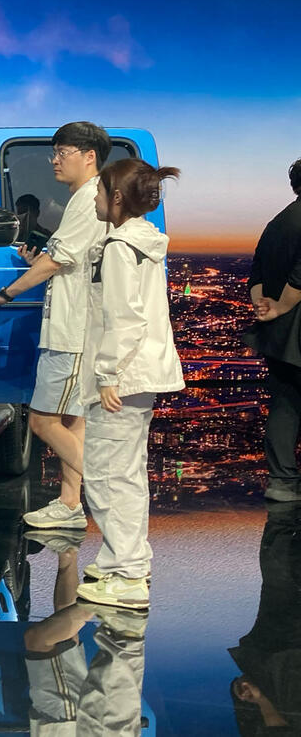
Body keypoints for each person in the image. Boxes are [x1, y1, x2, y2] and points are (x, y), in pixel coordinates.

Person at [0, 123, 113, 531]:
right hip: (78, 327)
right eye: (54, 152)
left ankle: (115, 493)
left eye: (63, 151)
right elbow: (62, 257)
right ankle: (70, 504)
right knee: (74, 420)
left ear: (89, 156)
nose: (55, 159)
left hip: (72, 332)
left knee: (42, 421)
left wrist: (6, 293)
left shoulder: (89, 198)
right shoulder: (84, 200)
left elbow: (57, 261)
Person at [73, 159, 184, 610]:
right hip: (142, 377)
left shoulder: (120, 248)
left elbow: (123, 320)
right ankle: (126, 558)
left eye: (99, 192)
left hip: (122, 378)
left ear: (116, 198)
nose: (94, 199)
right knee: (128, 474)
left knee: (105, 475)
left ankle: (128, 573)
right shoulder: (143, 243)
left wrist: (106, 376)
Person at [243, 158, 301, 502]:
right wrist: (281, 305)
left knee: (285, 405)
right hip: (293, 322)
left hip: (279, 336)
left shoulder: (277, 222)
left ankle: (282, 482)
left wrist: (263, 305)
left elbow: (257, 273)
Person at [228, 502, 301, 734]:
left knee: (277, 565)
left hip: (272, 652)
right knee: (277, 565)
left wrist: (252, 695)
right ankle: (283, 498)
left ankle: (283, 497)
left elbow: (242, 700)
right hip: (277, 655)